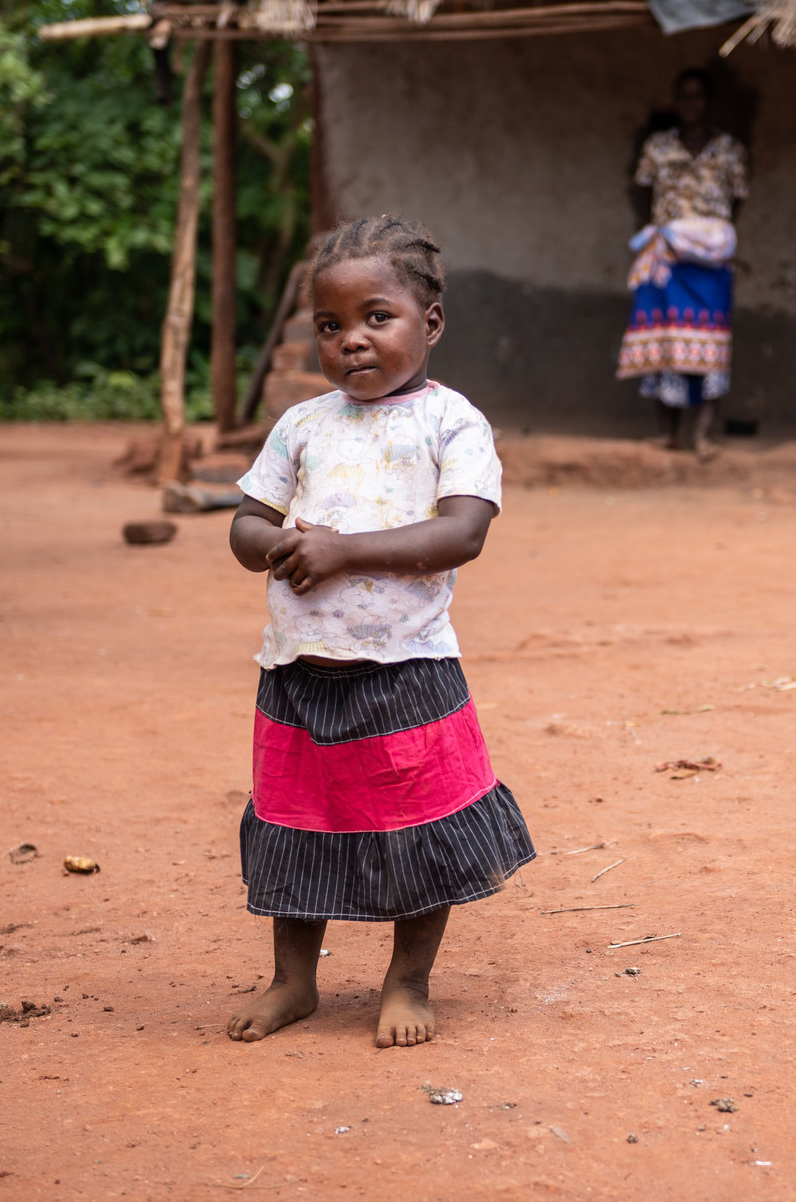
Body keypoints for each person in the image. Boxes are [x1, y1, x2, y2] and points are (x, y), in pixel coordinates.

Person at [223, 215, 534, 1048]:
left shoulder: (452, 423)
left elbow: (461, 532)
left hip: (407, 669)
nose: (351, 340)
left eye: (375, 317)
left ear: (429, 323)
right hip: (298, 670)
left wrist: (342, 551)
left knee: (420, 832)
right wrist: (277, 544)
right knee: (293, 828)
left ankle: (408, 979)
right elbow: (245, 525)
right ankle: (294, 979)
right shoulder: (301, 426)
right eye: (331, 325)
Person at [619, 67, 749, 457]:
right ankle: (671, 432)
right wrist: (664, 230)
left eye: (698, 96)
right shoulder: (658, 147)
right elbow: (641, 189)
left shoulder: (730, 150)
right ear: (676, 103)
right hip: (667, 260)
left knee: (711, 346)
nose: (691, 104)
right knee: (665, 343)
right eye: (684, 97)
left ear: (709, 103)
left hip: (709, 264)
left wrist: (707, 236)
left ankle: (703, 435)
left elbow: (738, 198)